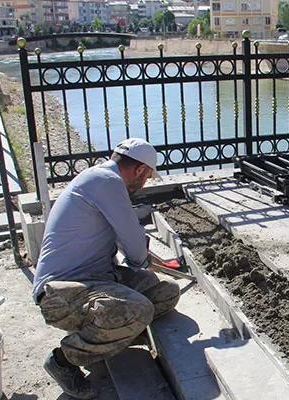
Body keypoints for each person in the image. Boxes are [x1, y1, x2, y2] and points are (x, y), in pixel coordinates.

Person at [32, 138, 180, 399]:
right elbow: (133, 246)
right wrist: (141, 260)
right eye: (146, 177)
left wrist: (141, 260)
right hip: (62, 293)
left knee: (166, 292)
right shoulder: (107, 182)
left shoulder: (101, 180)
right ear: (139, 170)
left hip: (97, 278)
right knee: (139, 309)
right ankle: (63, 360)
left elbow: (126, 242)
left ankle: (107, 335)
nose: (144, 184)